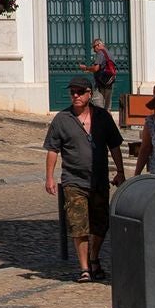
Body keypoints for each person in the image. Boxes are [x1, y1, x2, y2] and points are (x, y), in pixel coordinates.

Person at [45, 75, 126, 282]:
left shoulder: (102, 117)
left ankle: (94, 257)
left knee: (101, 223)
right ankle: (84, 268)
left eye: (80, 92)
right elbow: (53, 150)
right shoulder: (62, 119)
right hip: (73, 180)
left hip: (99, 180)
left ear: (89, 94)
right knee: (78, 224)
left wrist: (120, 171)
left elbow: (114, 145)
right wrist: (50, 178)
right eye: (72, 92)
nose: (75, 95)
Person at [79, 38, 117, 110]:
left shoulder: (100, 53)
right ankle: (107, 120)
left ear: (99, 45)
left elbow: (96, 68)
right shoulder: (110, 54)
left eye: (94, 47)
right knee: (107, 107)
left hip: (100, 83)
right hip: (110, 81)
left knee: (98, 105)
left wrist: (86, 68)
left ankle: (99, 120)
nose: (93, 50)